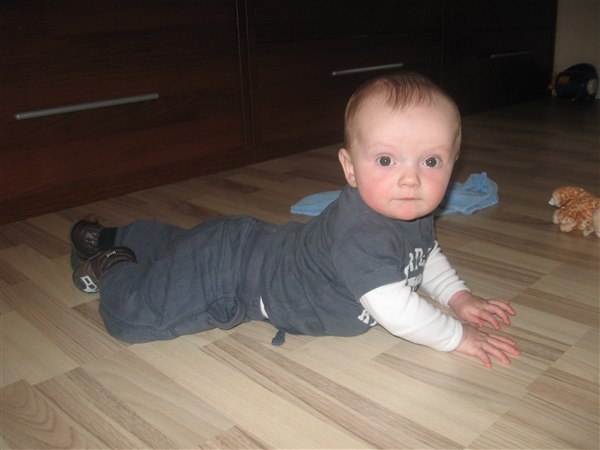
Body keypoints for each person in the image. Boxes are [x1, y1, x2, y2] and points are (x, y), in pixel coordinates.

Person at [71, 72, 520, 368]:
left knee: (181, 249)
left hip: (251, 243)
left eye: (431, 161)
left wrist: (459, 296)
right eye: (386, 159)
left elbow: (424, 255)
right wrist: (457, 336)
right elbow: (399, 312)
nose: (410, 178)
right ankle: (113, 260)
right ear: (350, 168)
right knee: (133, 318)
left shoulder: (411, 209)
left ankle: (111, 234)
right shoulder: (360, 233)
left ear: (453, 165)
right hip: (233, 278)